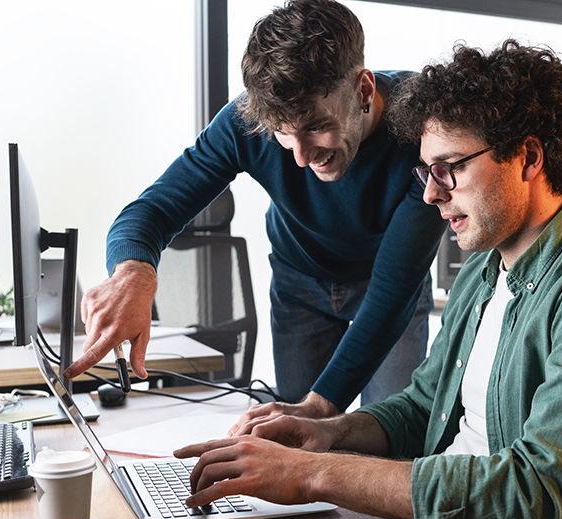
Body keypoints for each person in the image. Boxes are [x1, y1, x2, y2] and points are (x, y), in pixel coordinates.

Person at [171, 40, 562, 519]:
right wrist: (327, 435)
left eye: (450, 169)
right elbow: (422, 409)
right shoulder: (483, 274)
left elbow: (535, 495)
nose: (430, 193)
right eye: (426, 170)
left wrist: (313, 474)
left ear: (529, 158)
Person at [62, 0, 448, 417]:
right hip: (298, 282)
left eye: (317, 126)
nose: (301, 158)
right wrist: (133, 272)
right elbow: (153, 209)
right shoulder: (246, 121)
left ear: (364, 90)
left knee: (390, 431)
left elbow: (391, 291)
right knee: (293, 447)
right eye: (284, 133)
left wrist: (318, 408)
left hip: (388, 284)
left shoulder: (424, 132)